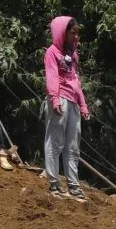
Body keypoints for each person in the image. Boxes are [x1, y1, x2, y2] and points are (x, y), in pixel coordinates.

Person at [44, 16, 90, 198]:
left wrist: (83, 104)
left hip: (73, 102)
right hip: (59, 98)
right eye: (73, 33)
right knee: (55, 142)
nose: (76, 37)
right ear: (62, 32)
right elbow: (52, 76)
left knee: (72, 146)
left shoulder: (73, 55)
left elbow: (75, 81)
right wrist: (55, 99)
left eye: (78, 33)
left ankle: (73, 185)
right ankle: (54, 183)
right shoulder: (52, 52)